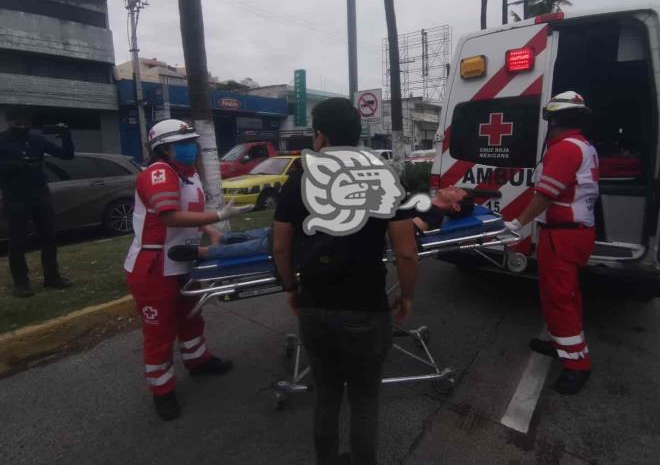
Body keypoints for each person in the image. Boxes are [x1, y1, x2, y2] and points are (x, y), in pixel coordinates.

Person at [272, 98, 419, 465]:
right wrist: (408, 295)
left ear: (319, 135)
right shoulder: (384, 175)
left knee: (326, 397)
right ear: (358, 133)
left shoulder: (297, 180)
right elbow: (405, 252)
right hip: (366, 306)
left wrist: (291, 288)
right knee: (365, 401)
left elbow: (280, 247)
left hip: (316, 305)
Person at [123, 118, 250, 421]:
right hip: (154, 266)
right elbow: (169, 217)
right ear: (164, 149)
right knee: (160, 331)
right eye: (183, 144)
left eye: (191, 142)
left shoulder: (188, 175)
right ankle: (162, 391)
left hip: (183, 259)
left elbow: (189, 212)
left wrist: (211, 229)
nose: (190, 147)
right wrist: (218, 214)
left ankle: (198, 360)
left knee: (191, 317)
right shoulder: (158, 174)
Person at [504, 91, 599, 395]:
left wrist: (517, 224)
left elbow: (546, 195)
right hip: (572, 232)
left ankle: (577, 365)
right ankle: (563, 343)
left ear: (554, 119)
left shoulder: (565, 150)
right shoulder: (583, 146)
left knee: (560, 296)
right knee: (564, 295)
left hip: (564, 235)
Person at [166, 186, 474, 262]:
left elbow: (402, 235)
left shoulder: (434, 215)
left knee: (278, 243)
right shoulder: (422, 199)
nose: (453, 186)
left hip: (355, 232)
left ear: (456, 204)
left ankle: (206, 254)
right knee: (275, 231)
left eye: (459, 190)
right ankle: (223, 238)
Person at [0, 107, 74, 298]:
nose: (23, 126)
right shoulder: (2, 140)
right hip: (15, 197)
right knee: (17, 241)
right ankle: (21, 283)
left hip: (40, 194)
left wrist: (66, 135)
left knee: (49, 237)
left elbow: (67, 155)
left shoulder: (37, 140)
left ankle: (52, 278)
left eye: (26, 124)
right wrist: (14, 165)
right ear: (10, 122)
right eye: (18, 124)